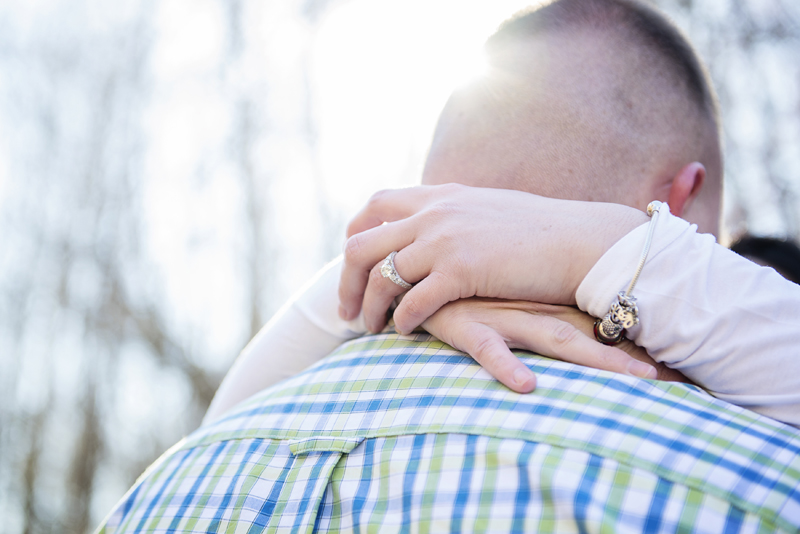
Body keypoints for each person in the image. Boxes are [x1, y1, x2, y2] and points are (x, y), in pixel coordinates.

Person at [95, 1, 800, 532]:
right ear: (685, 200)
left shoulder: (166, 486)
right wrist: (622, 252)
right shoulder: (759, 478)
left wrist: (397, 266)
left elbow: (224, 417)